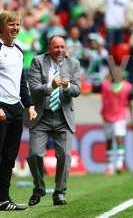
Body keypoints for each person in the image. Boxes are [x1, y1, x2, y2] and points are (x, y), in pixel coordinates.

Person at [26, 35, 81, 206]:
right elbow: (33, 88)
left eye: (62, 47)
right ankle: (39, 188)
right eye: (56, 47)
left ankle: (59, 192)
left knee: (64, 155)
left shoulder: (73, 64)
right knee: (34, 154)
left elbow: (77, 90)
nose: (60, 50)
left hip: (63, 116)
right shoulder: (37, 61)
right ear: (49, 48)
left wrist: (66, 86)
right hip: (41, 116)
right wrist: (51, 86)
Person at [0, 11, 37, 211]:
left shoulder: (19, 51)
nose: (15, 28)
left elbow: (21, 82)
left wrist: (29, 104)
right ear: (2, 27)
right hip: (1, 108)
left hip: (16, 110)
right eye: (11, 24)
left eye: (17, 24)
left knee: (8, 158)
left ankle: (3, 200)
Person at [100, 68, 133, 175]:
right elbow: (104, 100)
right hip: (107, 116)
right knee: (109, 141)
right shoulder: (105, 85)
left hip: (120, 116)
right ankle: (110, 166)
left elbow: (130, 103)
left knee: (119, 138)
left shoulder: (127, 87)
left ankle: (119, 164)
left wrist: (132, 120)